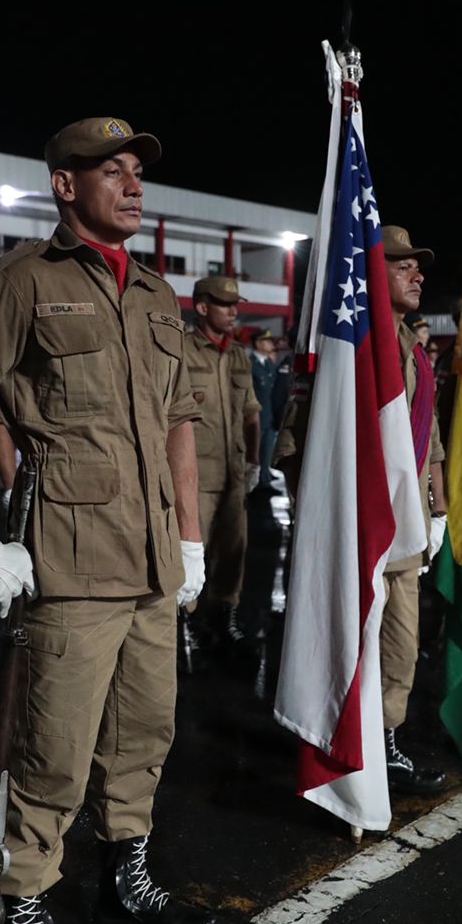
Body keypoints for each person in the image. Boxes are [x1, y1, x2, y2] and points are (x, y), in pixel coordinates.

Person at [0, 116, 222, 924]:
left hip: (154, 562)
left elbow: (179, 426)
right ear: (64, 186)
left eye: (138, 173)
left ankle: (126, 878)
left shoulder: (158, 295)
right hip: (70, 561)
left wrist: (193, 540)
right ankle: (27, 906)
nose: (133, 186)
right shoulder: (22, 282)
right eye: (112, 173)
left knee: (144, 736)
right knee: (51, 753)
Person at [377, 227, 449, 791]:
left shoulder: (413, 348)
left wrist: (439, 511)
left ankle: (386, 745)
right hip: (371, 527)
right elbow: (301, 443)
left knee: (402, 645)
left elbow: (432, 444)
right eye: (404, 266)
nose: (418, 275)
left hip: (408, 524)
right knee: (368, 648)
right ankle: (366, 754)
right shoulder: (359, 348)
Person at [183, 275, 261, 650]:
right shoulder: (181, 350)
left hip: (234, 473)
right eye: (224, 304)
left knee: (234, 551)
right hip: (195, 474)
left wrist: (255, 462)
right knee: (189, 554)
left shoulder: (238, 355)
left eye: (235, 305)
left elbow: (251, 412)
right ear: (201, 307)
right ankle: (185, 622)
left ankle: (222, 618)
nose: (233, 311)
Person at [250, 329, 280, 491]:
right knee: (254, 452)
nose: (270, 344)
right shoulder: (250, 363)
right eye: (267, 341)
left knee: (267, 452)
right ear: (258, 343)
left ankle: (265, 480)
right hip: (256, 415)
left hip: (268, 415)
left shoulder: (269, 364)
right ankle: (254, 484)